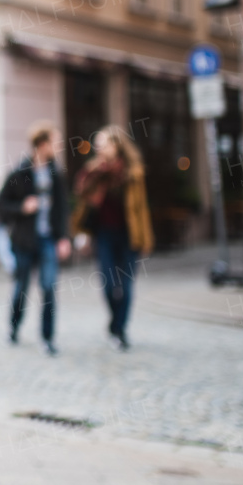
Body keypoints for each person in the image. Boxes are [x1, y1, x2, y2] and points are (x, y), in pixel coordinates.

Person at [73, 125, 154, 351]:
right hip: (105, 235)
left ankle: (119, 329)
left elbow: (141, 209)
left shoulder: (133, 172)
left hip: (130, 236)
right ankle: (114, 322)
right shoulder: (94, 170)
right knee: (109, 286)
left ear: (117, 145)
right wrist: (95, 173)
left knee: (126, 287)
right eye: (98, 144)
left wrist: (146, 239)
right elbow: (81, 194)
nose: (100, 148)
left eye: (104, 143)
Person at [0, 121, 70, 356]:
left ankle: (48, 338)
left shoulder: (55, 173)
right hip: (23, 241)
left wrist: (64, 238)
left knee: (49, 287)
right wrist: (22, 207)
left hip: (48, 239)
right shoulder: (20, 173)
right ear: (42, 144)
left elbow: (62, 208)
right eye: (54, 141)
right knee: (22, 287)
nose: (58, 146)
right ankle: (14, 327)